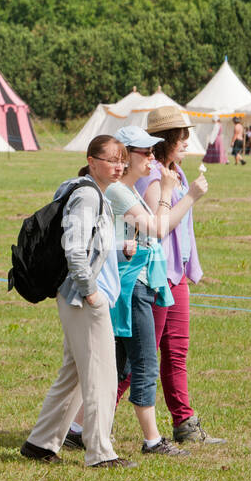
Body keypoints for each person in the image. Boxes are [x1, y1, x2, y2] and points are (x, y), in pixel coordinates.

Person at [65, 125, 208, 458]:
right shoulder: (118, 192)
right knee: (143, 363)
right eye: (146, 153)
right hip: (132, 289)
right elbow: (158, 228)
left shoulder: (123, 191)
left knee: (123, 366)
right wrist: (178, 194)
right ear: (125, 157)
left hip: (134, 285)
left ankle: (76, 429)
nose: (152, 158)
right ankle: (152, 440)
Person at [21, 134, 137, 468]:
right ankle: (100, 453)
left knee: (74, 372)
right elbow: (74, 247)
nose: (118, 167)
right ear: (91, 160)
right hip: (81, 298)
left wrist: (119, 245)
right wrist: (90, 291)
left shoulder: (86, 192)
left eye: (122, 161)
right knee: (101, 373)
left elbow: (89, 241)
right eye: (111, 160)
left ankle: (40, 443)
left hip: (74, 295)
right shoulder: (87, 196)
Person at [129, 105, 225, 445]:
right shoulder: (152, 174)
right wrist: (194, 196)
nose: (187, 141)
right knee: (139, 358)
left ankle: (184, 422)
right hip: (154, 276)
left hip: (176, 275)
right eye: (182, 136)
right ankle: (82, 425)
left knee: (176, 352)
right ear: (167, 138)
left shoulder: (176, 172)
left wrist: (189, 266)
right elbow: (160, 225)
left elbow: (185, 231)